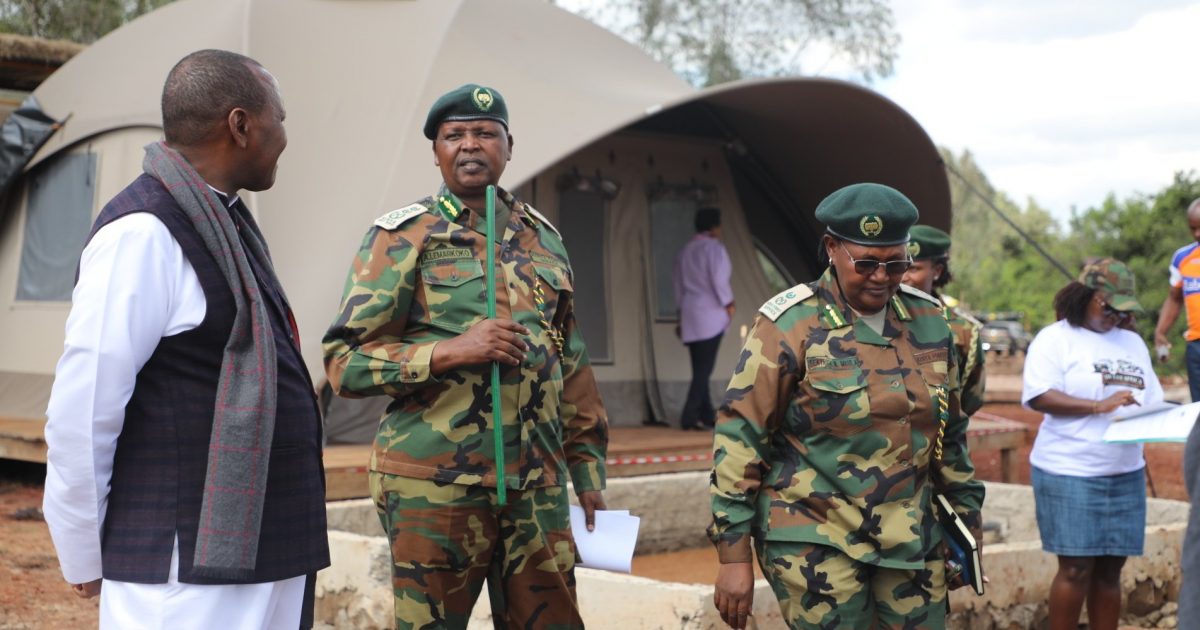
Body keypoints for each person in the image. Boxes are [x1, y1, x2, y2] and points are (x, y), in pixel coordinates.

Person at [41, 50, 329, 629]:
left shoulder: (226, 223)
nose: (284, 137)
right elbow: (85, 408)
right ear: (240, 125)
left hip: (269, 549)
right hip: (183, 571)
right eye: (279, 119)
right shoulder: (142, 233)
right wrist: (82, 547)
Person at [322, 84, 608, 629]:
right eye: (454, 135)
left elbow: (570, 361)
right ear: (436, 152)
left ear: (509, 146)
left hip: (536, 485)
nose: (470, 145)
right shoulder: (403, 236)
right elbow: (345, 362)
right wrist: (450, 351)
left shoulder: (544, 239)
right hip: (435, 486)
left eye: (485, 133)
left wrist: (588, 469)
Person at [708, 183, 984, 629]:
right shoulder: (790, 324)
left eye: (897, 263)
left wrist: (967, 525)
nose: (882, 276)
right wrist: (733, 554)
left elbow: (949, 435)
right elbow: (741, 436)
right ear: (832, 249)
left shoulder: (932, 322)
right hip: (813, 532)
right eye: (867, 263)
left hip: (910, 535)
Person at [1022, 258, 1160, 630]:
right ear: (1085, 296)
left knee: (1111, 569)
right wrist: (1098, 405)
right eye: (1109, 307)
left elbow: (1152, 397)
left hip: (1125, 472)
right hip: (1070, 470)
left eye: (1123, 311)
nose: (1116, 317)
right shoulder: (1055, 339)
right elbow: (1039, 396)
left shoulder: (1132, 342)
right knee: (1076, 567)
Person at [903, 224, 986, 415]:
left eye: (913, 269)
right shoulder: (874, 316)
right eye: (899, 266)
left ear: (937, 271)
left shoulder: (963, 330)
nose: (903, 277)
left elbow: (970, 400)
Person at [672, 206, 735, 430]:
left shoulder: (685, 251)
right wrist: (728, 303)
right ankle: (688, 417)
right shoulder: (714, 248)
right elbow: (719, 279)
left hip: (690, 314)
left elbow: (677, 286)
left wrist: (680, 315)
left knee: (700, 368)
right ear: (715, 226)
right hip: (711, 314)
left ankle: (707, 415)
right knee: (703, 370)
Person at [1155, 197, 1200, 401]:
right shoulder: (1182, 258)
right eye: (1193, 228)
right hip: (1196, 345)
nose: (1197, 234)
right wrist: (1161, 331)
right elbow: (1174, 298)